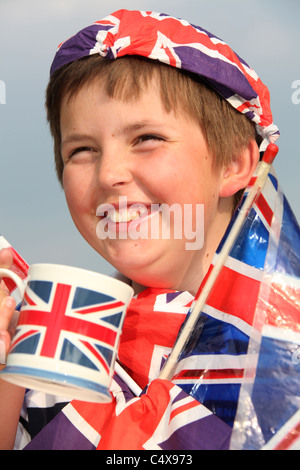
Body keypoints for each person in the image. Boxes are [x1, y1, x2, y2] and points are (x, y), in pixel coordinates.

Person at [0, 9, 292, 450]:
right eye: (81, 149)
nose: (109, 174)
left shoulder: (283, 350)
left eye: (146, 139)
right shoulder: (45, 346)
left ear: (234, 164)